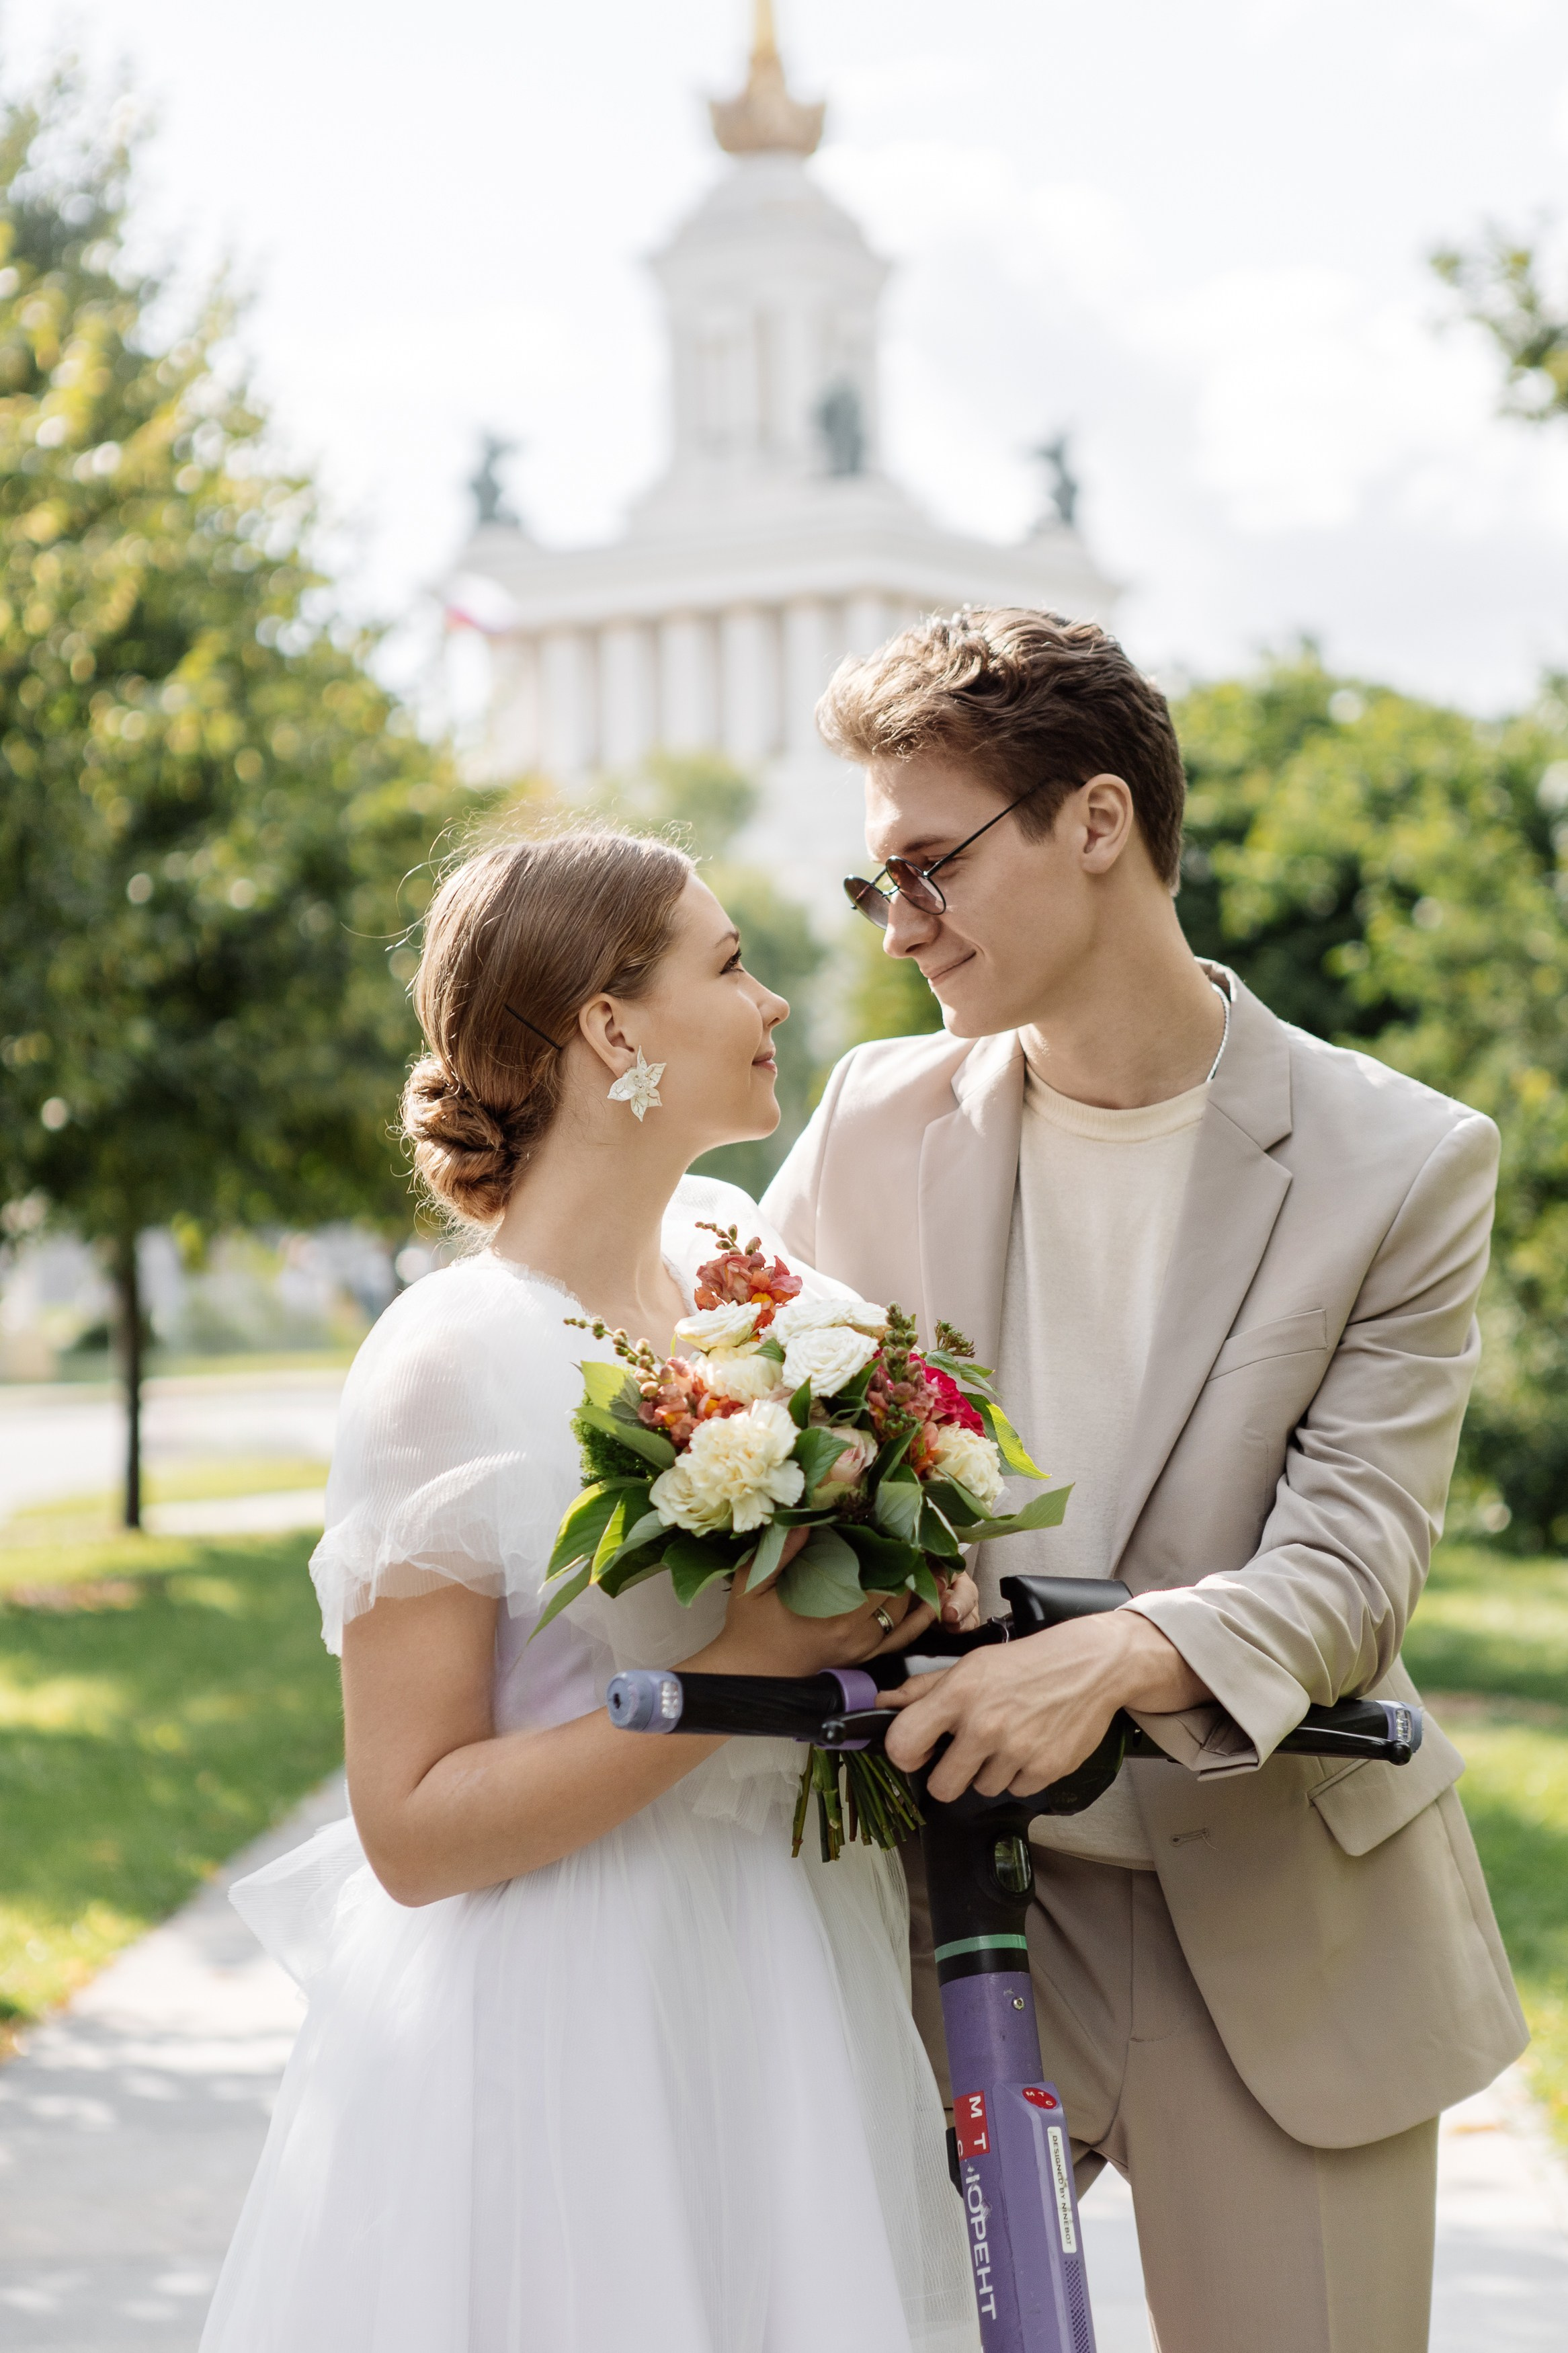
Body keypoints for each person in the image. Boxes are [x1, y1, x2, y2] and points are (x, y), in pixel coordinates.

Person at [761, 608, 1528, 2353]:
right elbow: (769, 1451)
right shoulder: (872, 1118)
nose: (900, 924)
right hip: (929, 1904)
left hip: (1271, 1917)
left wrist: (1109, 1659)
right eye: (876, 884)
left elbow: (1352, 1567)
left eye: (932, 866)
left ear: (1095, 820)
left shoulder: (1401, 1160)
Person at [200, 828, 981, 2353]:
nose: (771, 1003)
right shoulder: (448, 1360)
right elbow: (410, 1829)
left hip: (791, 1976)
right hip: (574, 2016)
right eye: (731, 965)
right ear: (612, 1028)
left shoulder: (748, 1271)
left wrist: (902, 1592)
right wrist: (742, 1671)